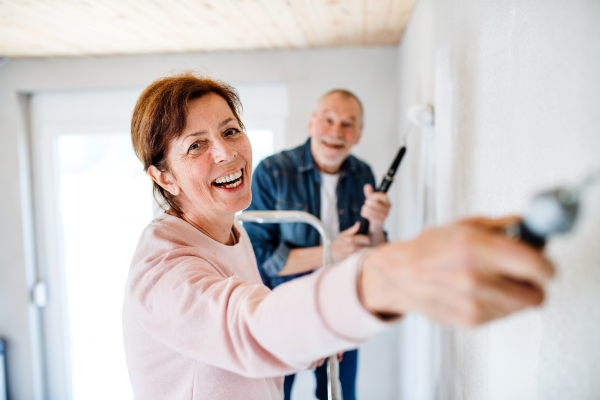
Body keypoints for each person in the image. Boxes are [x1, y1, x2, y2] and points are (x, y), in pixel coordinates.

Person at [123, 73, 555, 400]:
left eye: (231, 130)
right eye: (196, 145)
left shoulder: (232, 230)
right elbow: (247, 327)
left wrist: (316, 338)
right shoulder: (163, 270)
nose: (226, 152)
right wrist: (389, 276)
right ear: (163, 176)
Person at [244, 89, 390, 400]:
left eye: (347, 124)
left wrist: (376, 226)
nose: (336, 132)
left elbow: (374, 250)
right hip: (283, 310)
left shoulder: (362, 173)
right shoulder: (271, 172)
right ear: (311, 123)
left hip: (342, 306)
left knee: (340, 395)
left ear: (359, 134)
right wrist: (331, 251)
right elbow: (261, 256)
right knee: (274, 394)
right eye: (328, 120)